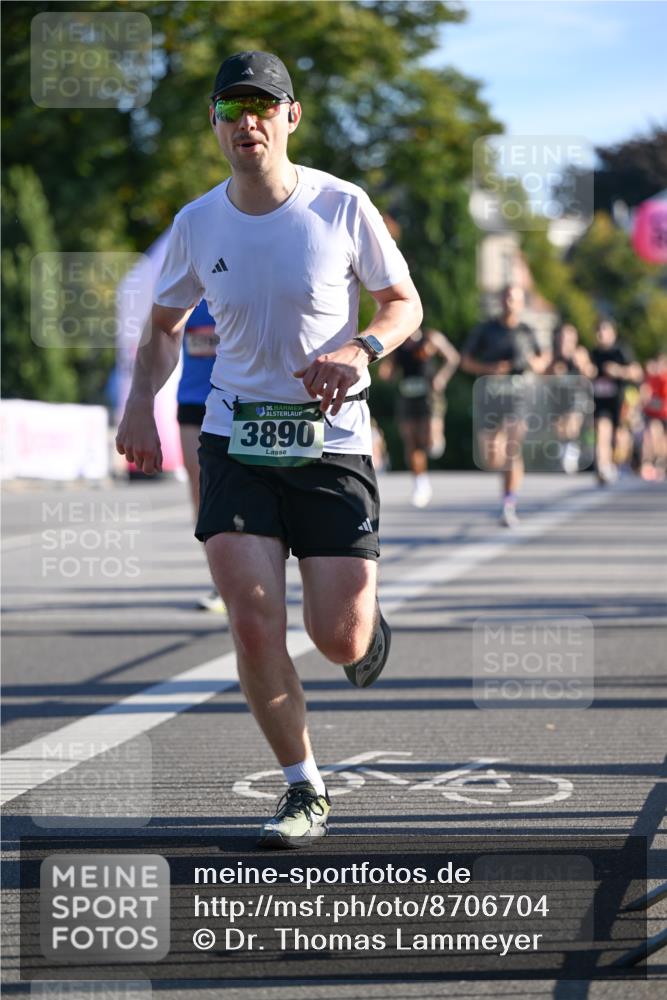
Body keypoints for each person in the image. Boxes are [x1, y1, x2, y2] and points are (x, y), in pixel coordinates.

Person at [115, 51, 422, 848]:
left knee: (338, 640)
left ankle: (364, 629)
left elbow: (403, 303)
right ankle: (302, 788)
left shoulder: (340, 205)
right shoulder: (196, 223)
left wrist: (359, 350)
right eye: (230, 106)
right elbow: (162, 329)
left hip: (333, 442)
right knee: (252, 624)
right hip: (234, 440)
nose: (246, 119)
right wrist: (141, 406)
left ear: (291, 117)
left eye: (262, 105)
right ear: (214, 123)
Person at [460, 285, 550, 526]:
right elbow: (465, 361)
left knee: (513, 447)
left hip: (519, 396)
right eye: (507, 297)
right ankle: (507, 485)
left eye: (516, 298)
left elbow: (544, 360)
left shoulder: (527, 331)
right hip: (491, 396)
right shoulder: (486, 330)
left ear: (521, 303)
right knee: (492, 457)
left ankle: (509, 503)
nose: (511, 302)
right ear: (501, 301)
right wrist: (489, 369)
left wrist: (534, 363)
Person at [177, 299, 227, 612]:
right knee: (201, 496)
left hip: (237, 402)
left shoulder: (242, 282)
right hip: (192, 401)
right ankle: (220, 583)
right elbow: (159, 334)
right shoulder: (184, 291)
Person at [380, 327, 459, 506]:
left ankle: (436, 440)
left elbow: (453, 358)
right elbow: (390, 372)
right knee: (411, 442)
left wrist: (442, 378)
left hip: (429, 396)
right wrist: (386, 372)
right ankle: (420, 484)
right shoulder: (398, 342)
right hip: (407, 395)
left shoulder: (431, 338)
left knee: (429, 440)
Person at [590, 319, 643, 484]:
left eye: (604, 330)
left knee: (620, 436)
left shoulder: (621, 351)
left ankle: (620, 464)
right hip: (600, 401)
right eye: (598, 330)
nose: (601, 334)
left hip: (620, 401)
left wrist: (618, 371)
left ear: (613, 333)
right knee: (601, 431)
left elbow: (637, 372)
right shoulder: (594, 354)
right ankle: (603, 467)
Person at [544, 323, 595, 474]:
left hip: (577, 395)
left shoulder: (580, 353)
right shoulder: (552, 355)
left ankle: (571, 454)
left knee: (572, 423)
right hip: (558, 397)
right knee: (560, 428)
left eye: (569, 337)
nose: (565, 341)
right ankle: (564, 451)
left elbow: (591, 373)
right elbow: (543, 374)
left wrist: (581, 366)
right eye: (563, 337)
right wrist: (552, 370)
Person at [640, 353, 667, 481]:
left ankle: (661, 462)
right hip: (655, 415)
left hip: (664, 414)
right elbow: (646, 395)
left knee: (663, 442)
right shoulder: (652, 378)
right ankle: (653, 463)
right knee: (654, 434)